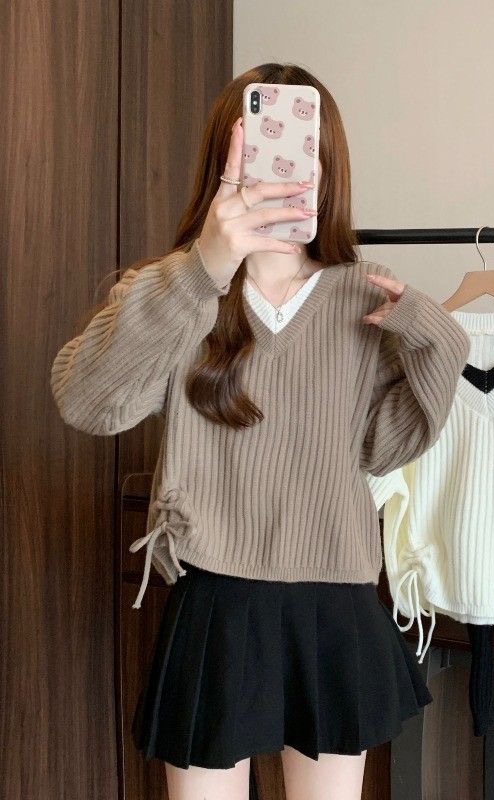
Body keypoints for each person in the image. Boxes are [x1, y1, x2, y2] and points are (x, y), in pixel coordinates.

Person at [50, 62, 470, 800]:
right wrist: (203, 268)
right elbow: (88, 402)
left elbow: (385, 448)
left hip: (334, 596)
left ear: (328, 169)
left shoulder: (365, 297)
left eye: (304, 151)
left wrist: (436, 339)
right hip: (217, 597)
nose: (285, 169)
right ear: (225, 164)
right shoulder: (176, 287)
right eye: (260, 150)